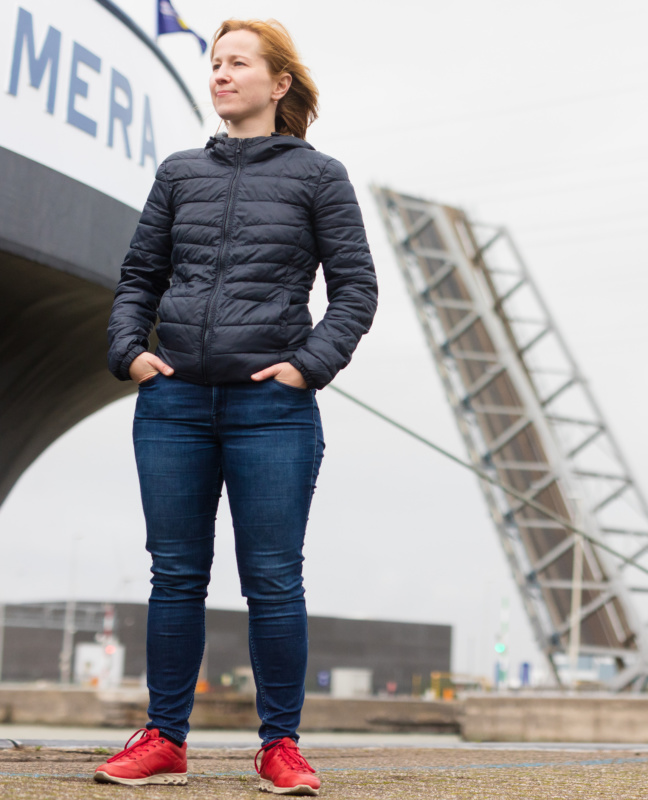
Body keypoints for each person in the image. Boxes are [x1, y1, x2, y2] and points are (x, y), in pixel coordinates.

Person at [97, 18, 377, 795]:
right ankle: (163, 740)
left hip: (273, 412)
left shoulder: (320, 176)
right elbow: (138, 277)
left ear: (279, 83)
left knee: (274, 580)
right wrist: (130, 353)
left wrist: (308, 368)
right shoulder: (179, 173)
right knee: (175, 575)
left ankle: (280, 747)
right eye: (215, 62)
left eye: (238, 63)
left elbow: (356, 290)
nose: (220, 74)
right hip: (174, 403)